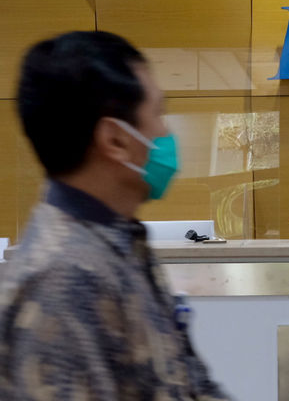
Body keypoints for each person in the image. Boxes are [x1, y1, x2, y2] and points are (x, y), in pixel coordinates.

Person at [0, 32, 229, 400]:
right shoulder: (63, 279)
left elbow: (188, 383)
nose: (165, 132)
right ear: (115, 140)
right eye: (157, 113)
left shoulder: (119, 242)